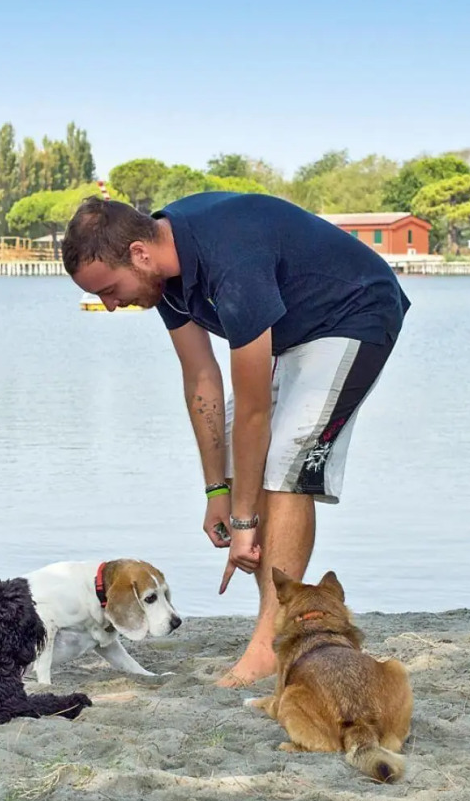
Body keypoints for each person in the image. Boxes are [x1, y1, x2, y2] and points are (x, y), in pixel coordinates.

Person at [61, 191, 409, 686]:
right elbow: (202, 381)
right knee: (239, 454)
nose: (110, 306)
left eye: (110, 290)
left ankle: (270, 643)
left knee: (288, 459)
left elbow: (253, 411)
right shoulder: (164, 276)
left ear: (139, 255)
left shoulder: (229, 258)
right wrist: (217, 493)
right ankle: (275, 611)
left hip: (355, 314)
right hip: (294, 333)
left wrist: (245, 518)